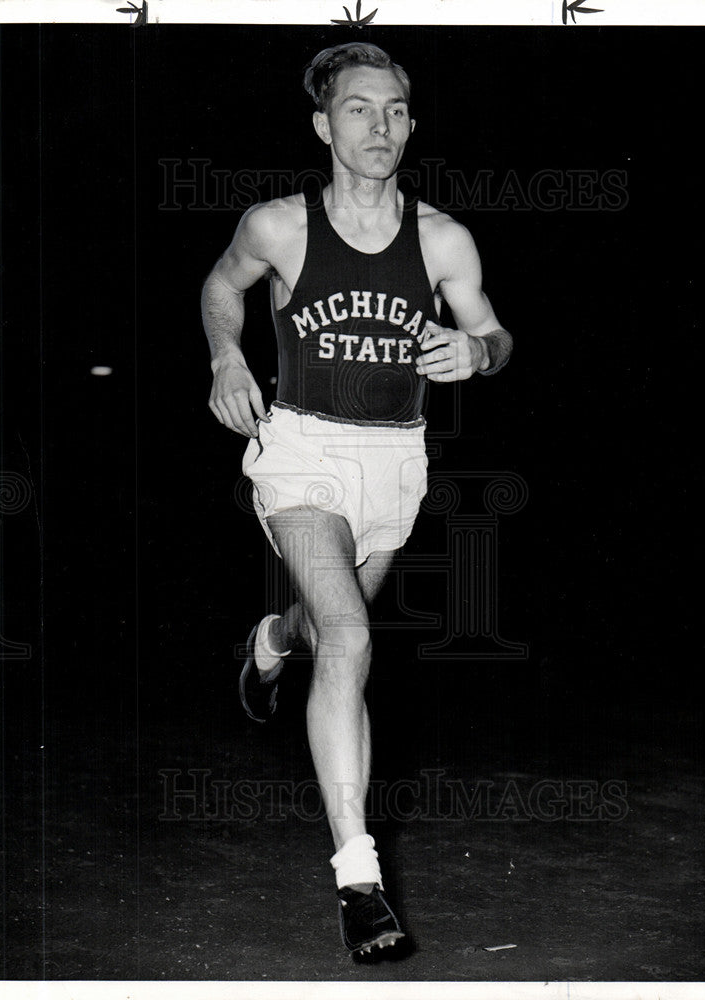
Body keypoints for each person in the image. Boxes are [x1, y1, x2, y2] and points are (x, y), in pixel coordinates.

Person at [201, 41, 512, 956]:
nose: (380, 126)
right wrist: (226, 354)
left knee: (323, 630)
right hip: (300, 451)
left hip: (395, 465)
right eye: (359, 109)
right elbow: (223, 283)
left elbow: (493, 331)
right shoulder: (280, 226)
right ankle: (359, 882)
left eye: (396, 110)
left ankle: (268, 641)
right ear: (323, 125)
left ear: (412, 123)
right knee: (352, 637)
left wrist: (478, 354)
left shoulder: (444, 238)